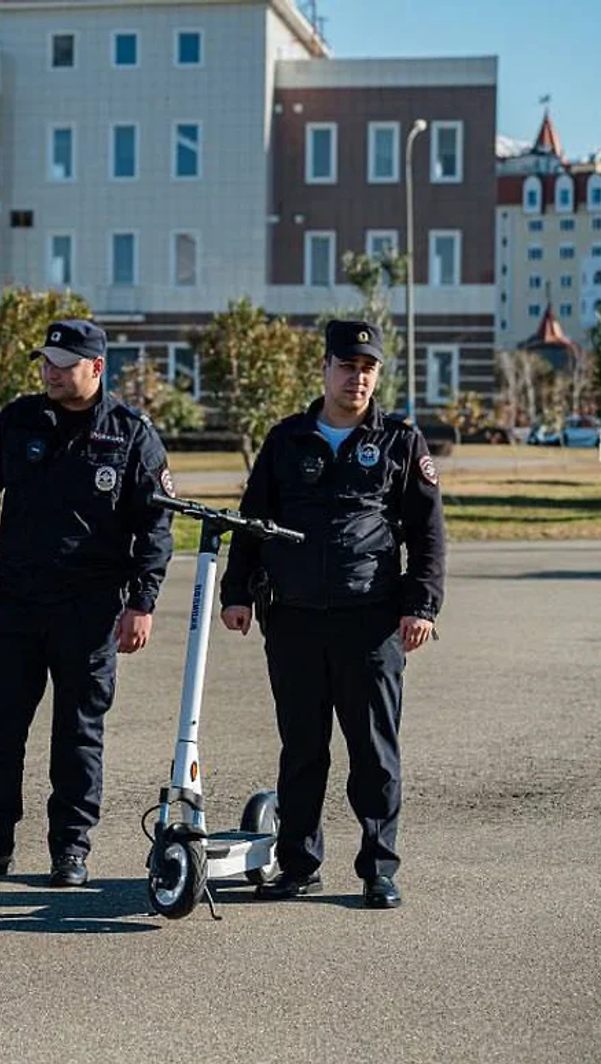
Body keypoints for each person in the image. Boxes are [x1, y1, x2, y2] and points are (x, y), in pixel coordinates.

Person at [219, 320, 446, 910]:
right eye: (348, 366)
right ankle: (298, 863)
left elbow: (427, 535)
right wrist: (236, 593)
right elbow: (251, 523)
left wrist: (420, 605)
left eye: (368, 368)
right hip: (292, 620)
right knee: (301, 749)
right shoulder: (286, 439)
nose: (358, 378)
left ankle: (378, 867)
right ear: (325, 368)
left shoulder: (400, 440)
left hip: (368, 621)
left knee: (374, 751)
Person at [0, 319, 174, 888]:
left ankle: (70, 852)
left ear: (96, 367)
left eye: (64, 364)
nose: (51, 371)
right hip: (15, 603)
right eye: (45, 361)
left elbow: (156, 524)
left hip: (88, 611)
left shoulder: (131, 432)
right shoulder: (20, 420)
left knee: (77, 737)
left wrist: (141, 602)